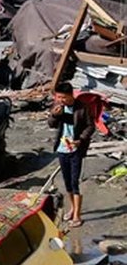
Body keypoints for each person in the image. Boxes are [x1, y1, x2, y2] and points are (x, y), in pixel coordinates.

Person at [49, 81, 95, 227]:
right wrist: (54, 115)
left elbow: (90, 126)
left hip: (75, 150)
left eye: (63, 97)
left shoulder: (82, 108)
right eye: (58, 97)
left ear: (71, 95)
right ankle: (72, 208)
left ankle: (77, 215)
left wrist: (80, 140)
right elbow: (51, 124)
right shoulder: (58, 107)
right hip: (62, 149)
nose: (61, 100)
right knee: (67, 182)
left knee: (75, 182)